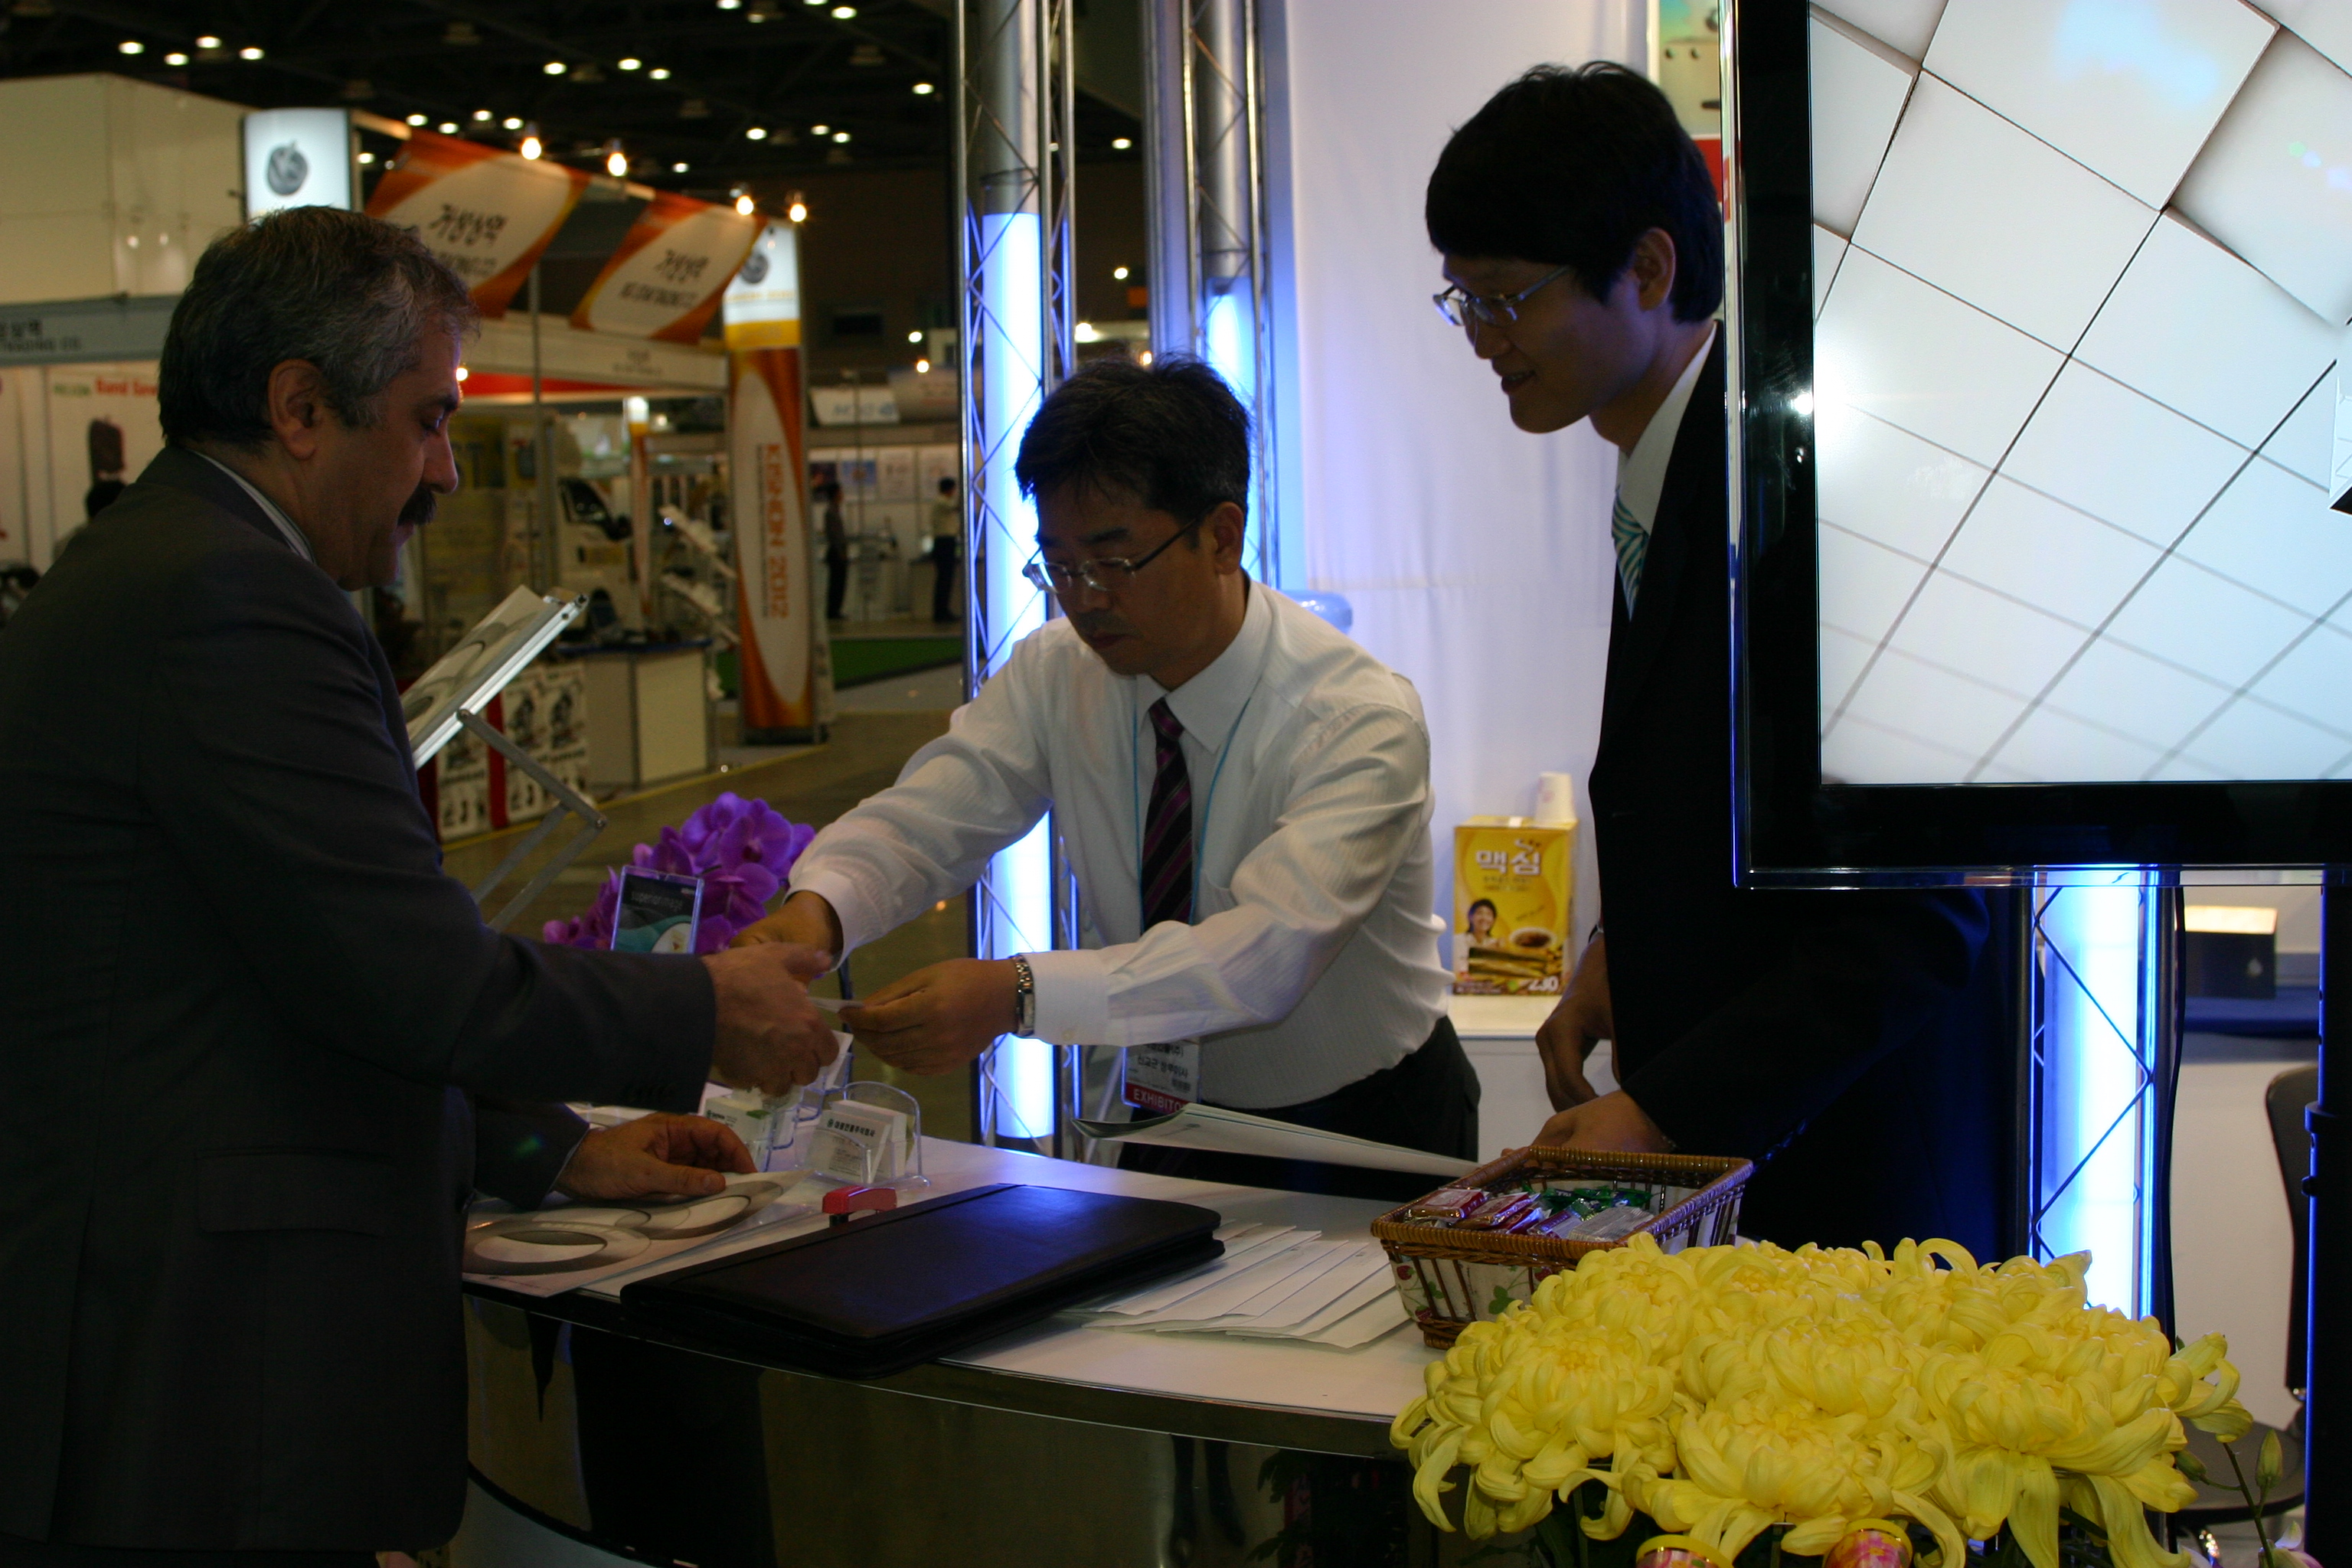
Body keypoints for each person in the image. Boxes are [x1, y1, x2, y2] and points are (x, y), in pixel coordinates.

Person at [0, 208, 840, 1562]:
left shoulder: (165, 565)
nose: (445, 467)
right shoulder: (230, 601)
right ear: (299, 410)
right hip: (199, 1367)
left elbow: (297, 969)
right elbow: (411, 975)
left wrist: (550, 1147)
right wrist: (707, 1008)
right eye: (428, 419)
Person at [1425, 64, 2007, 1253]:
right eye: (1462, 301)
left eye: (1508, 298)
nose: (1482, 339)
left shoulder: (1798, 493)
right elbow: (1719, 806)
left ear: (1648, 269)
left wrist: (1667, 1111)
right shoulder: (1676, 467)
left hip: (1856, 1204)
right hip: (1766, 1188)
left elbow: (1916, 916)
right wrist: (1618, 950)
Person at [737, 358, 1472, 1197]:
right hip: (1168, 1110)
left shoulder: (1357, 718)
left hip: (1365, 1123)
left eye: (1114, 562)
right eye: (1058, 564)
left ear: (1221, 536)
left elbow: (1261, 955)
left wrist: (1016, 994)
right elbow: (932, 814)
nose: (1083, 599)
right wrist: (818, 911)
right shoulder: (1059, 673)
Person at [928, 475, 960, 622]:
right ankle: (941, 612)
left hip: (946, 542)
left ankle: (943, 611)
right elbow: (956, 507)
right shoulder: (942, 501)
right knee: (944, 579)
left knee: (946, 579)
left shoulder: (942, 502)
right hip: (944, 543)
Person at [821, 480, 850, 621]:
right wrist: (841, 551)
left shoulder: (835, 510)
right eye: (840, 492)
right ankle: (833, 611)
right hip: (836, 551)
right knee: (836, 583)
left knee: (840, 582)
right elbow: (834, 535)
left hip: (839, 550)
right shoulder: (831, 512)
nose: (842, 495)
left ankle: (836, 609)